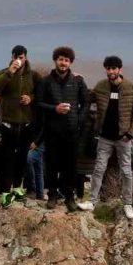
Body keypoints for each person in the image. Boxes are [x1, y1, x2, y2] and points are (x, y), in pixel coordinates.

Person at [78, 56, 133, 220]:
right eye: (108, 68)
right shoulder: (101, 86)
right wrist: (78, 81)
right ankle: (92, 202)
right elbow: (87, 97)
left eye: (114, 68)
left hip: (123, 138)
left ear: (120, 69)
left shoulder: (131, 87)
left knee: (126, 172)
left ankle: (128, 205)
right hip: (105, 138)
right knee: (98, 169)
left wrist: (130, 134)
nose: (111, 71)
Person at [36, 46, 90, 212]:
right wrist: (55, 109)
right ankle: (52, 195)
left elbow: (86, 102)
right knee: (52, 164)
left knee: (70, 165)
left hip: (72, 131)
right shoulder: (46, 81)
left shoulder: (78, 81)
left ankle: (69, 197)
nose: (63, 63)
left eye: (66, 60)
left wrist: (79, 118)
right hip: (52, 130)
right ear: (55, 60)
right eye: (61, 59)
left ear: (70, 62)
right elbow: (38, 103)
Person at [0, 46, 38, 207]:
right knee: (7, 159)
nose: (19, 60)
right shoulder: (3, 73)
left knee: (22, 158)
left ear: (26, 58)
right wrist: (11, 71)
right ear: (12, 57)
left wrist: (30, 98)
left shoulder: (33, 75)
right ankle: (5, 192)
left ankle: (18, 188)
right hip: (7, 124)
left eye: (22, 57)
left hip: (26, 124)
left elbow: (42, 93)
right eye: (17, 57)